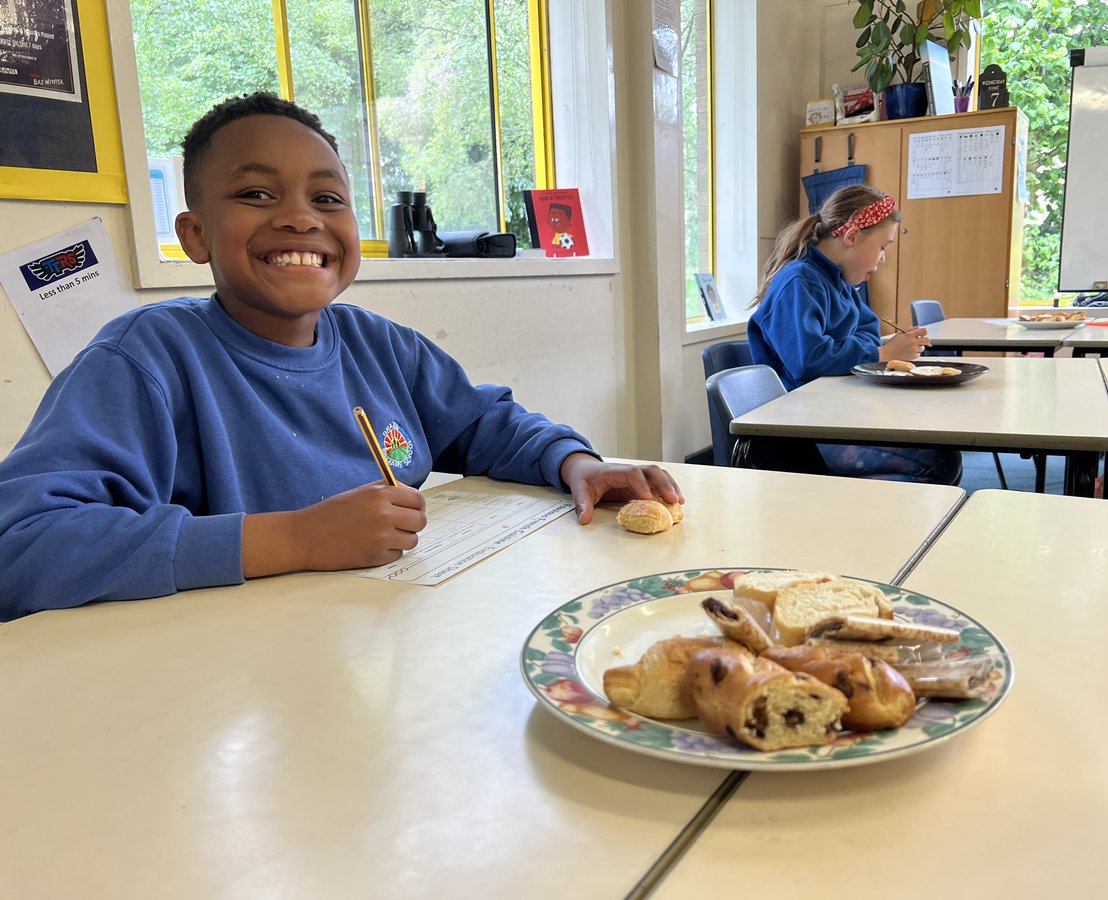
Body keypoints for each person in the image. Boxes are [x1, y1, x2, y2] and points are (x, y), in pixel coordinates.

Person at [0, 92, 682, 620]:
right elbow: (23, 546)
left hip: (383, 645)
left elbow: (483, 423)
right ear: (196, 234)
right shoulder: (144, 360)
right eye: (256, 194)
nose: (301, 218)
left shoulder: (377, 344)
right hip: (230, 691)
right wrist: (295, 540)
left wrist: (576, 463)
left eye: (327, 198)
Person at [747, 184, 961, 484]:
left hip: (833, 414)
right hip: (798, 432)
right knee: (936, 462)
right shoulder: (798, 281)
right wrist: (881, 353)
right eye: (883, 247)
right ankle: (846, 511)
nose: (883, 258)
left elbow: (868, 329)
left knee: (943, 453)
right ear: (852, 236)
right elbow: (809, 360)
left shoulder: (841, 283)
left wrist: (865, 349)